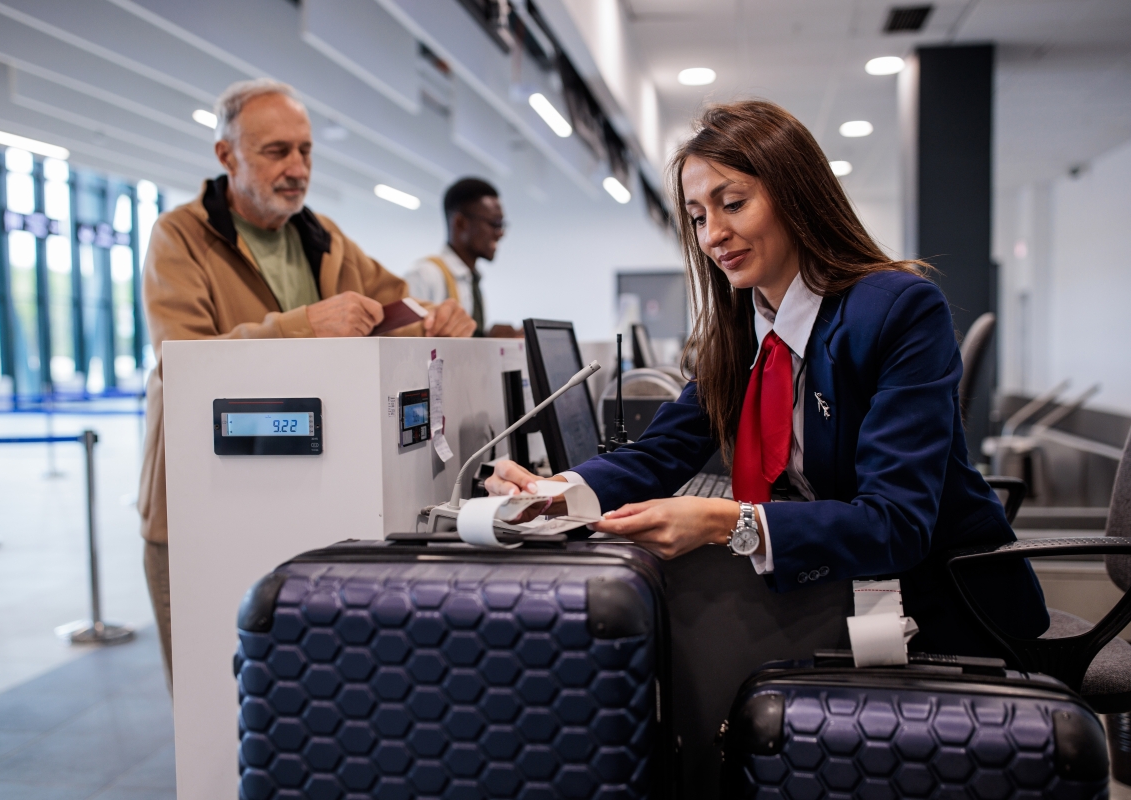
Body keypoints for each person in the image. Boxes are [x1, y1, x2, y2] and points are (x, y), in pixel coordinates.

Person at [486, 100, 1048, 657]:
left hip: (944, 613)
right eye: (699, 217)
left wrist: (728, 522)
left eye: (733, 204)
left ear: (797, 197)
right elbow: (661, 454)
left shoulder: (897, 311)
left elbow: (895, 523)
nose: (712, 236)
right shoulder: (743, 329)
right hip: (838, 595)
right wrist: (556, 494)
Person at [139, 79, 475, 688]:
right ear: (226, 156)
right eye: (277, 152)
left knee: (303, 694)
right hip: (199, 505)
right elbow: (180, 359)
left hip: (305, 492)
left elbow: (396, 309)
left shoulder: (322, 235)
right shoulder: (179, 237)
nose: (297, 168)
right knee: (212, 701)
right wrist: (303, 325)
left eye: (306, 151)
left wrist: (440, 319)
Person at [405, 178, 505, 336]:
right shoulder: (425, 275)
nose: (500, 233)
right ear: (460, 222)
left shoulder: (472, 280)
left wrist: (492, 341)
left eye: (502, 225)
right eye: (494, 223)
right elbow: (404, 346)